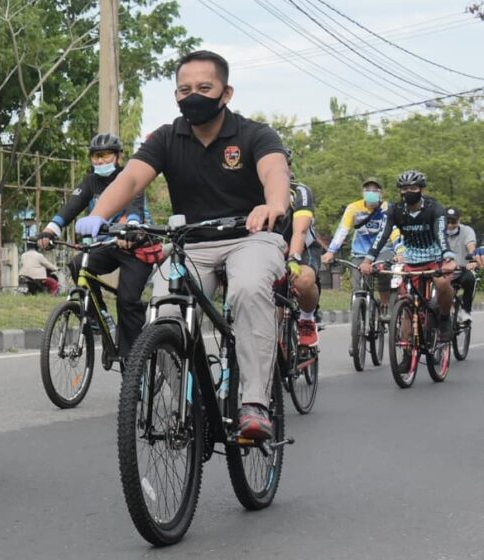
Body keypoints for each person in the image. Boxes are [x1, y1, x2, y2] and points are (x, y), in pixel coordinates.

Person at [76, 50, 290, 440]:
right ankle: (189, 404)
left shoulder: (254, 134)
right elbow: (131, 180)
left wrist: (272, 204)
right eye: (185, 89)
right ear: (176, 95)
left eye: (204, 88)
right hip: (191, 245)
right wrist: (99, 215)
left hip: (251, 236)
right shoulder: (166, 137)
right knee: (165, 316)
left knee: (248, 289)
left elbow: (274, 170)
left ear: (226, 93)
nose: (194, 95)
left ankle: (254, 403)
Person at [38, 133, 153, 362]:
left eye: (105, 155)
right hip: (108, 245)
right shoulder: (91, 182)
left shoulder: (129, 177)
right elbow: (72, 207)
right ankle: (98, 316)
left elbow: (134, 209)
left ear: (118, 156)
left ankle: (133, 365)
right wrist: (51, 229)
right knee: (77, 264)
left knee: (127, 301)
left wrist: (130, 225)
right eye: (95, 156)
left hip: (136, 246)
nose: (100, 161)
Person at [359, 170, 456, 341]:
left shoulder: (435, 208)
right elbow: (382, 236)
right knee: (407, 302)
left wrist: (448, 258)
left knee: (443, 284)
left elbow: (441, 235)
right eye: (404, 189)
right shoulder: (395, 210)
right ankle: (406, 349)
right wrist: (368, 260)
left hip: (435, 259)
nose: (408, 192)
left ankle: (444, 318)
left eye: (412, 188)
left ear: (421, 190)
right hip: (411, 261)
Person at [321, 177, 402, 321]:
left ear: (382, 193)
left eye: (375, 190)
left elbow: (395, 231)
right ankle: (359, 312)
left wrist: (400, 252)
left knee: (383, 275)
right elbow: (342, 230)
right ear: (362, 192)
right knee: (358, 285)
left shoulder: (388, 209)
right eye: (367, 190)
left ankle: (384, 305)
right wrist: (330, 251)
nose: (371, 193)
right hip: (359, 252)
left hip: (383, 251)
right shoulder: (354, 208)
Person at [281, 148, 323, 347]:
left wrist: (294, 258)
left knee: (303, 280)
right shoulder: (251, 191)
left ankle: (307, 318)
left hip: (303, 249)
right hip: (271, 251)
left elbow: (301, 230)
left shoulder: (300, 191)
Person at [445, 207, 477, 323]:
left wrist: (472, 257)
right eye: (447, 222)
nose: (450, 225)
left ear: (459, 221)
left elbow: (471, 244)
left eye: (453, 222)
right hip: (443, 271)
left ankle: (465, 311)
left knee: (470, 279)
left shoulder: (467, 230)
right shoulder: (438, 232)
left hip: (461, 270)